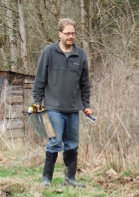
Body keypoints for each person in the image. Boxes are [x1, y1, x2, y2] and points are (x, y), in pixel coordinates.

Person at [33, 18, 92, 188]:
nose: (70, 36)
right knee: (55, 143)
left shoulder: (80, 55)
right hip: (53, 107)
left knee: (72, 144)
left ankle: (70, 179)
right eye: (67, 33)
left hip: (74, 108)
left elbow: (84, 84)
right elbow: (39, 80)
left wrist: (86, 105)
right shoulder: (49, 52)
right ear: (60, 34)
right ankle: (46, 179)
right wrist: (37, 101)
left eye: (73, 33)